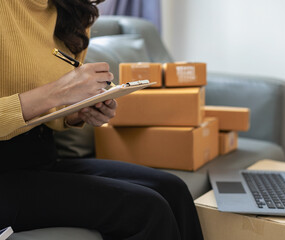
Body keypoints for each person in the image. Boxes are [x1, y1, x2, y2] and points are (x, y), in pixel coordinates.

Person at [0, 0, 204, 240]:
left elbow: (48, 109)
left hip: (38, 157)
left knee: (173, 189)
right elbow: (54, 93)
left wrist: (78, 112)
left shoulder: (72, 11)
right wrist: (59, 91)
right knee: (146, 209)